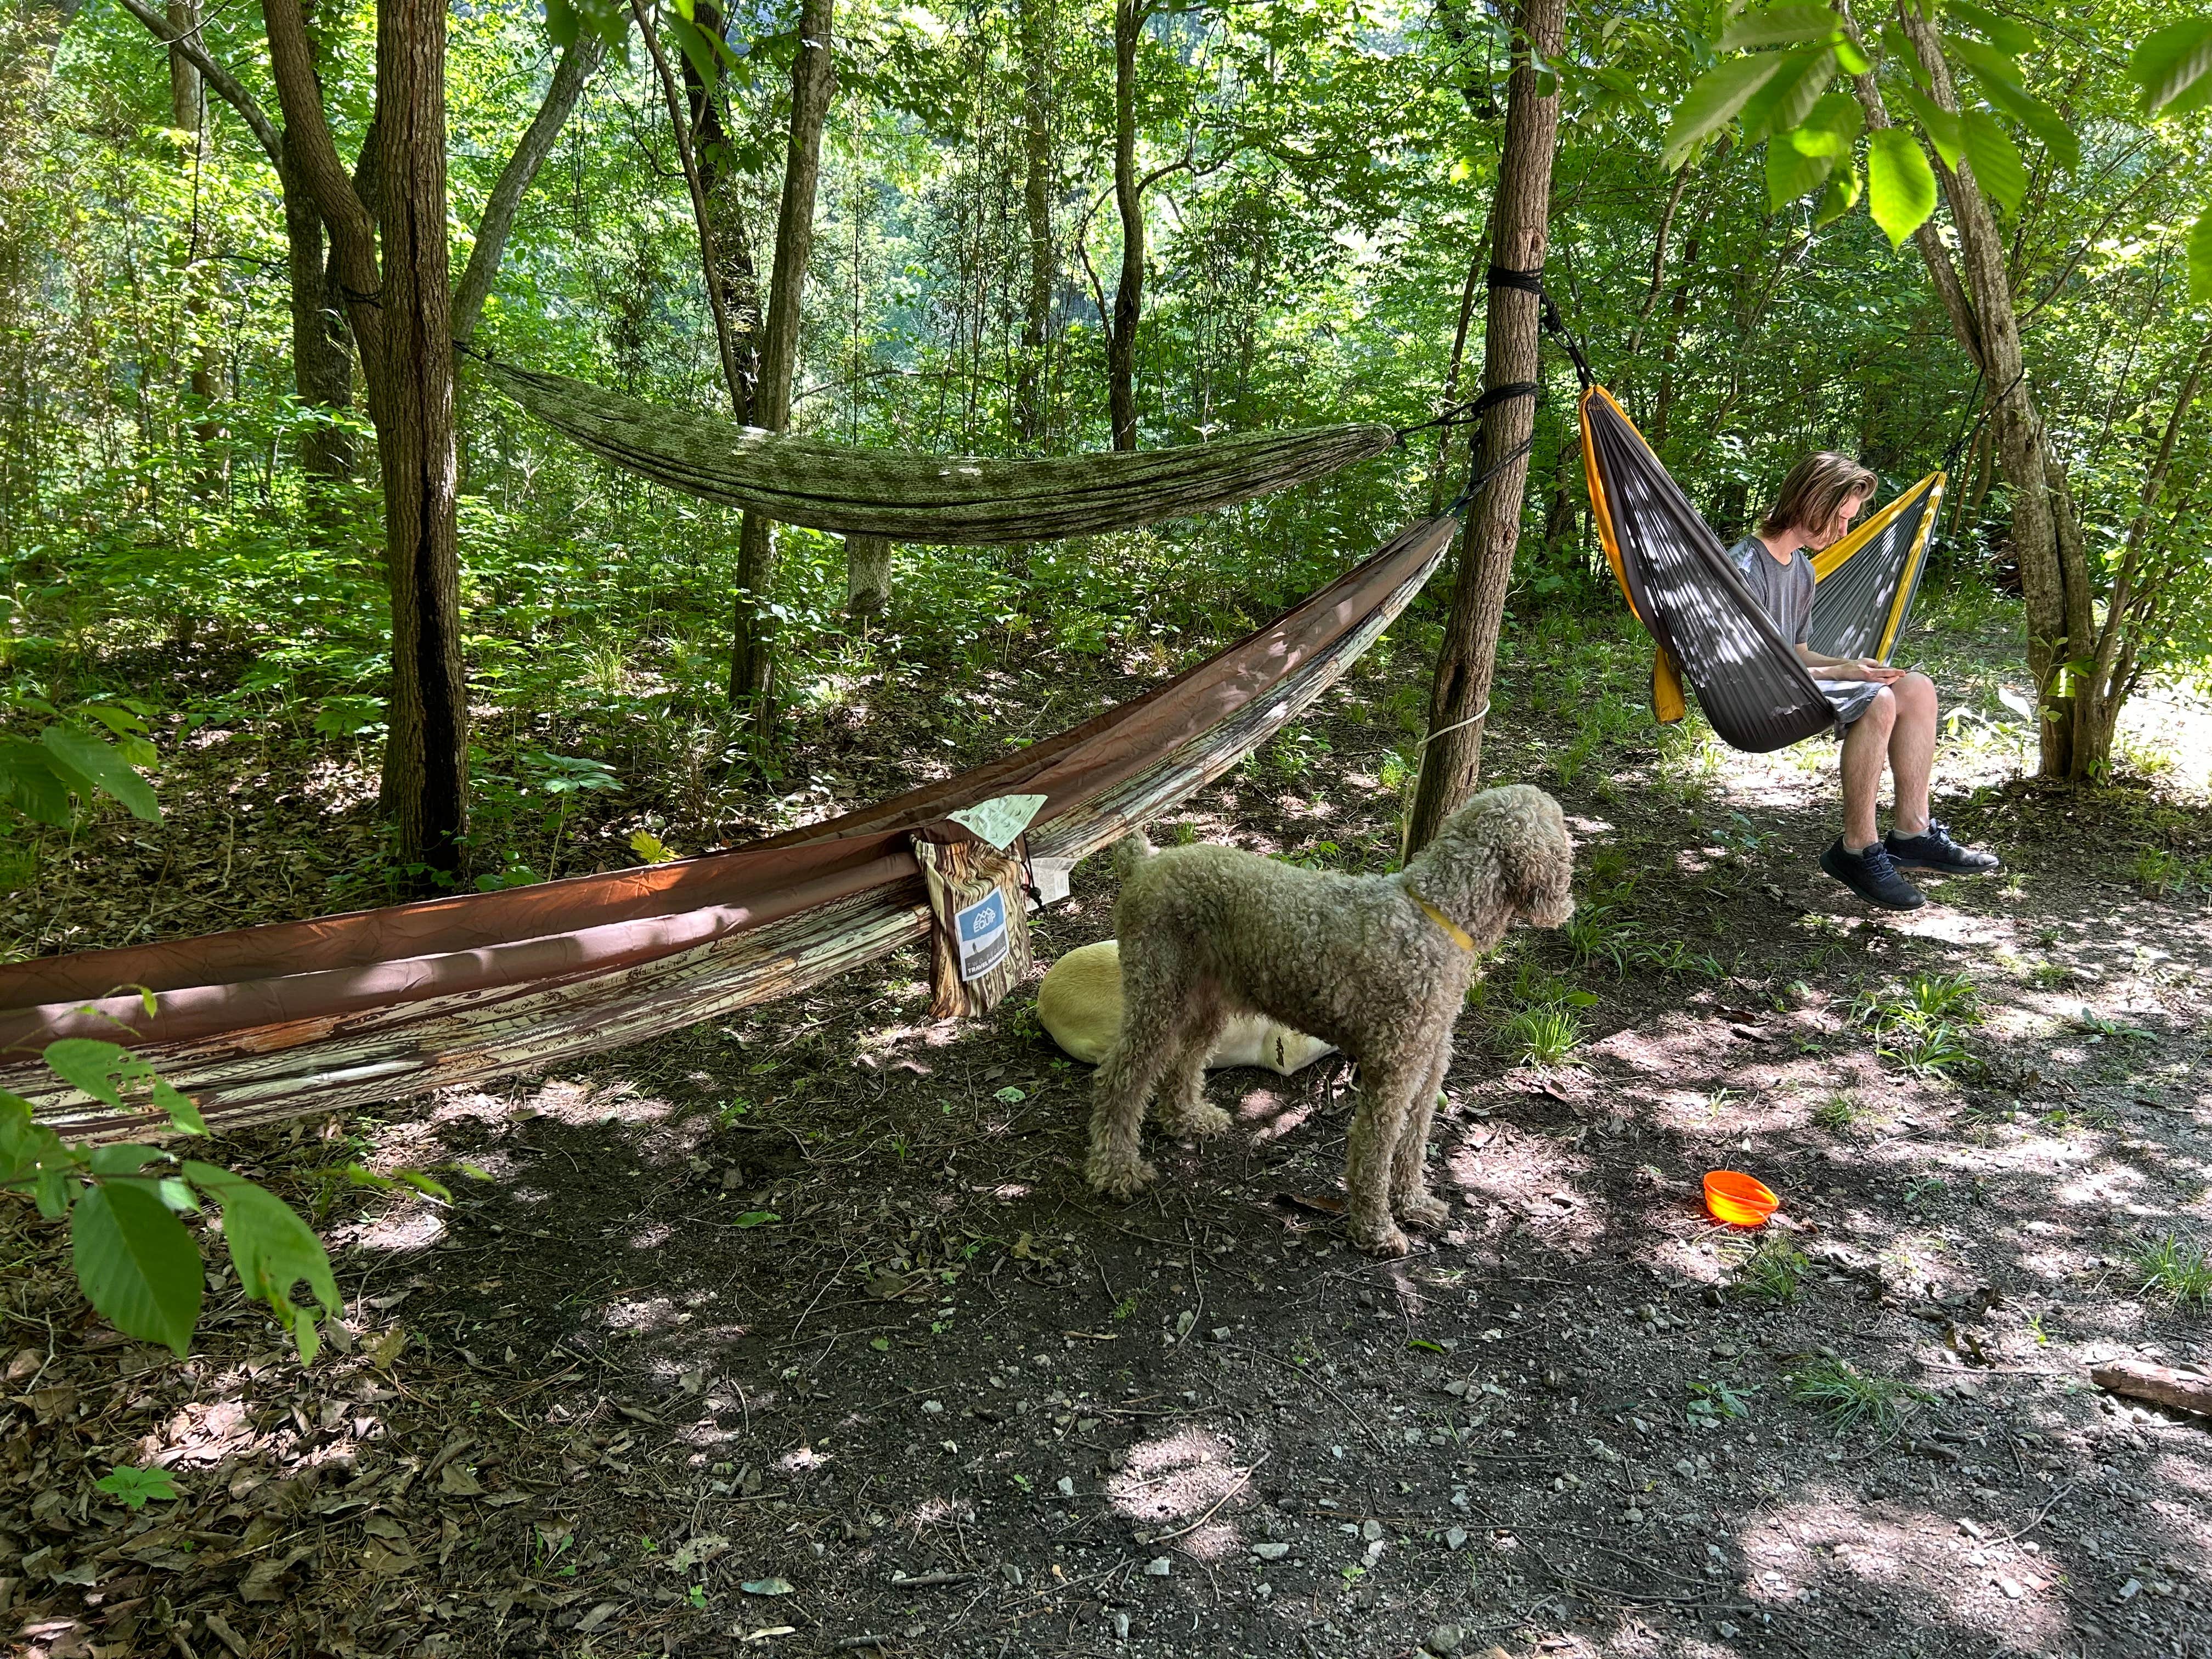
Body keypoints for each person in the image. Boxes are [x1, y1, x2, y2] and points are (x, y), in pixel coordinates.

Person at [1729, 453, 1999, 911]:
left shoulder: (1802, 569)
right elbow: (1753, 662)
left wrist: (1849, 662)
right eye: (1839, 518)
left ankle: (1912, 832)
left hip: (1791, 683)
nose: (1843, 533)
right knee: (1877, 702)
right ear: (1810, 502)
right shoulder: (1742, 568)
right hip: (1753, 700)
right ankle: (1858, 849)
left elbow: (1795, 652)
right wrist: (1843, 673)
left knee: (1916, 687)